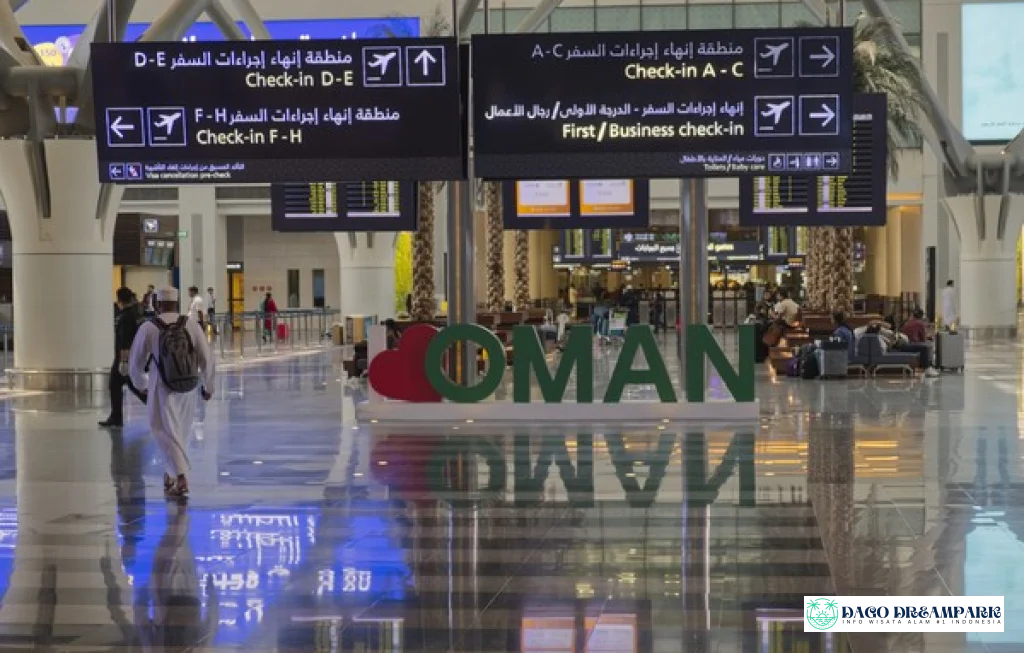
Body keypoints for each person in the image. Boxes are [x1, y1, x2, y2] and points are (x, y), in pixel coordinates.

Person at [129, 287, 215, 497]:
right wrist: (209, 386)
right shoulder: (191, 325)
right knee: (180, 433)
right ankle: (170, 475)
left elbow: (135, 363)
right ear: (177, 304)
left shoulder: (149, 327)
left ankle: (182, 477)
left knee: (162, 430)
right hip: (188, 387)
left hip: (161, 387)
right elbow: (207, 358)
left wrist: (141, 384)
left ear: (158, 304)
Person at [100, 287, 148, 428]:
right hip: (135, 357)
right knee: (128, 385)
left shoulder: (125, 316)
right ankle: (116, 416)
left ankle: (117, 417)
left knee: (123, 384)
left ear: (119, 299)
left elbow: (125, 340)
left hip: (125, 358)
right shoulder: (136, 314)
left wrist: (124, 362)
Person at [900, 308, 939, 377]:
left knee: (925, 346)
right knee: (927, 346)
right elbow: (923, 339)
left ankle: (926, 365)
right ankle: (927, 367)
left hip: (904, 344)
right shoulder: (920, 323)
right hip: (910, 344)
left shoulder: (908, 322)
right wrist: (929, 338)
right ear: (921, 316)